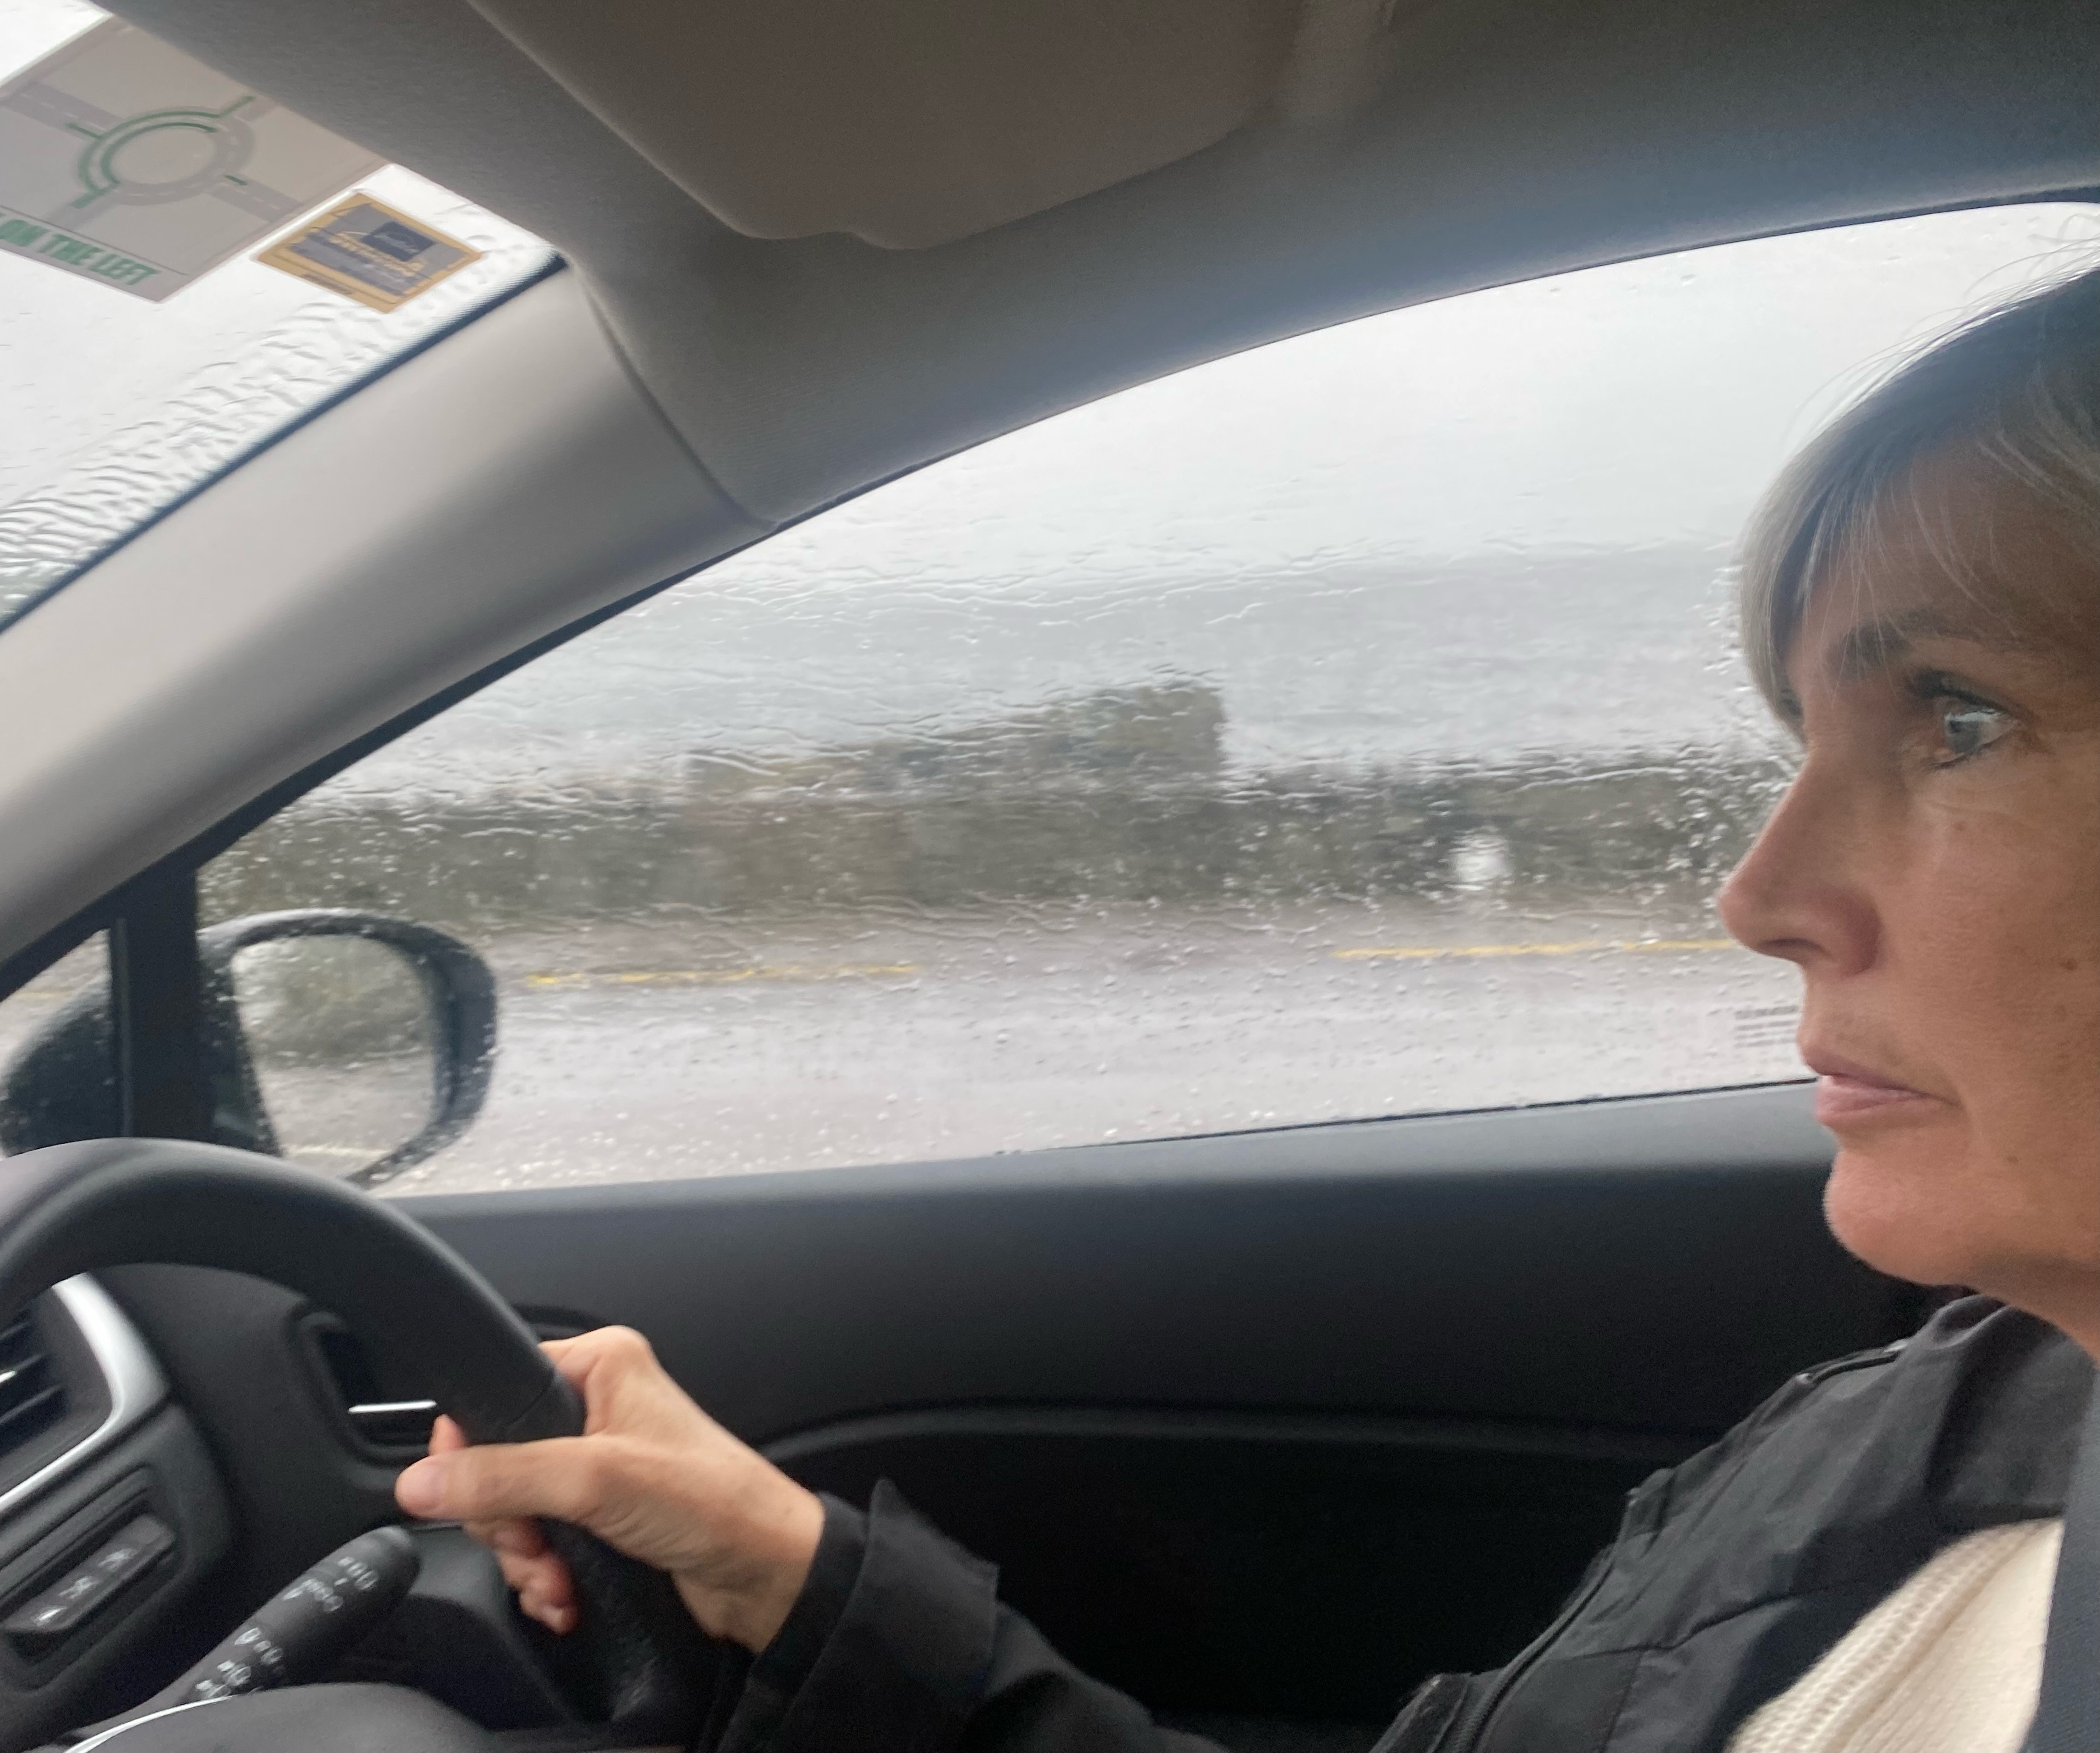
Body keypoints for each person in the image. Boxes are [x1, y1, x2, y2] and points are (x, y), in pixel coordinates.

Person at [394, 264, 2099, 1753]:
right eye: (1797, 739)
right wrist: (789, 1580)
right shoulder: (1957, 1416)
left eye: (1959, 721)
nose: (1758, 899)